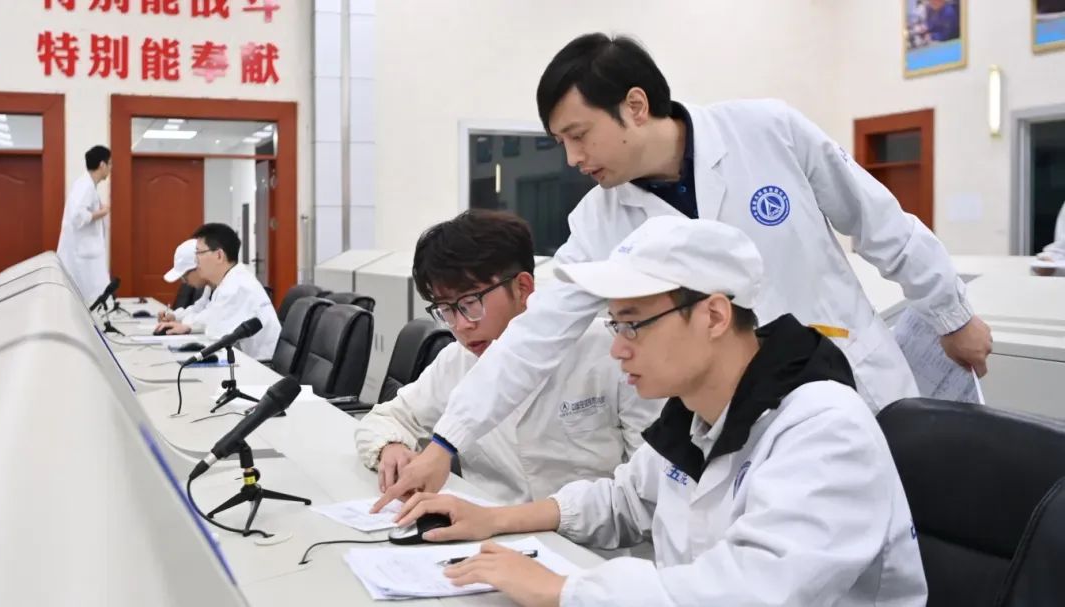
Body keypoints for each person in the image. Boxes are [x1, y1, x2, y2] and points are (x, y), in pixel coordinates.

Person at [374, 32, 992, 508]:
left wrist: (951, 314)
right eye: (561, 142)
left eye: (580, 135)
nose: (573, 158)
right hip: (734, 420)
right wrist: (448, 441)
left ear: (635, 105)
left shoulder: (765, 130)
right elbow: (534, 336)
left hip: (852, 383)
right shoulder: (598, 221)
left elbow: (878, 220)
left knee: (891, 542)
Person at [392, 216, 928, 607]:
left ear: (714, 316)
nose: (617, 348)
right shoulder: (697, 414)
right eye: (614, 325)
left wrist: (565, 590)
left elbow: (751, 592)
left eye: (633, 324)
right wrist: (494, 519)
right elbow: (624, 500)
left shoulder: (824, 429)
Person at [354, 210, 662, 505]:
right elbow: (385, 419)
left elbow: (651, 486)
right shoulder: (456, 362)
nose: (461, 325)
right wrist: (390, 448)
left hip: (594, 539)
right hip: (487, 531)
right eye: (446, 309)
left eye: (470, 303)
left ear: (523, 287)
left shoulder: (612, 352)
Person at [154, 223, 281, 360]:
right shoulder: (227, 282)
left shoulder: (237, 287)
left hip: (259, 366)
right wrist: (184, 323)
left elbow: (214, 334)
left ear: (219, 255)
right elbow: (208, 316)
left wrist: (187, 326)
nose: (195, 260)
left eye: (199, 253)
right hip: (246, 361)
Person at [56, 145, 112, 304]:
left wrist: (99, 210)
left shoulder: (87, 185)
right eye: (110, 164)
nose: (111, 168)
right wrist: (103, 212)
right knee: (87, 300)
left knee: (93, 299)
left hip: (85, 254)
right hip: (81, 257)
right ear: (102, 165)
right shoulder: (85, 186)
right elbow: (77, 216)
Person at [156, 239, 211, 323]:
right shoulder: (209, 286)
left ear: (198, 267)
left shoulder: (226, 286)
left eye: (184, 277)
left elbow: (211, 319)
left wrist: (184, 324)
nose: (184, 282)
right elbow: (198, 308)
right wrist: (175, 317)